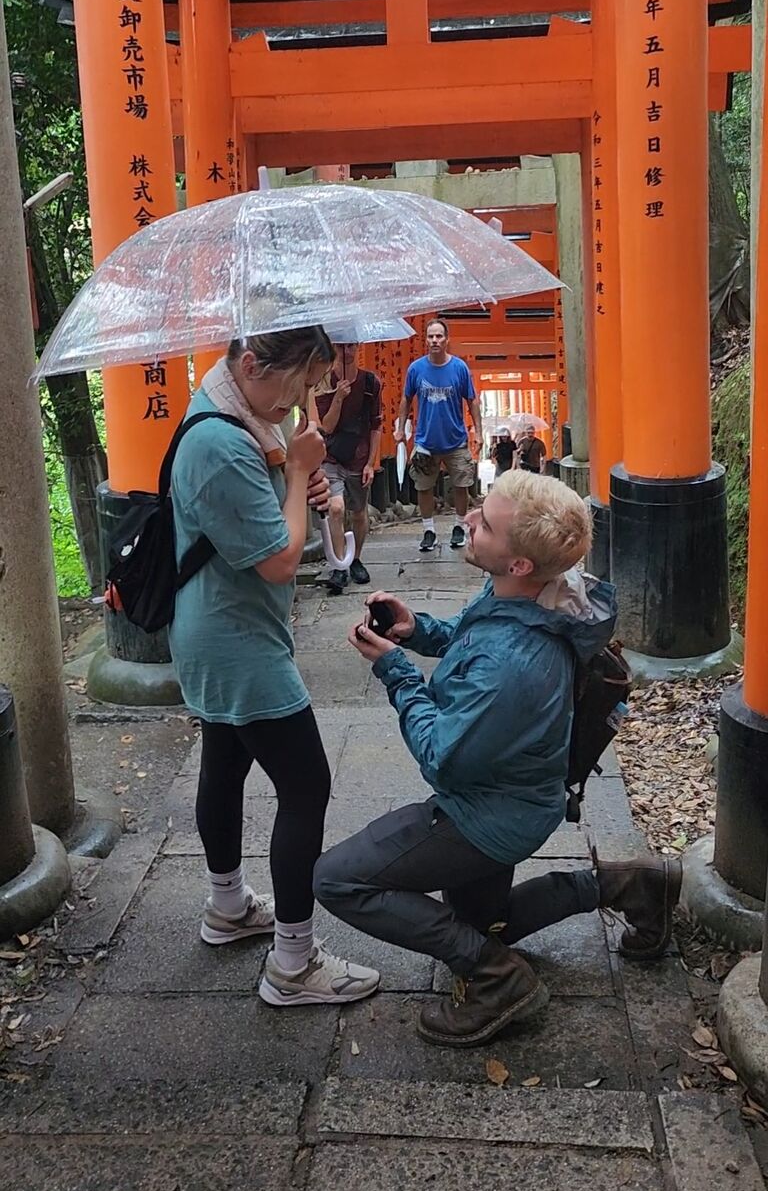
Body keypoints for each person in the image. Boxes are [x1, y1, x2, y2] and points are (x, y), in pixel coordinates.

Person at [314, 470, 682, 1047]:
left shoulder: (512, 668)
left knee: (337, 880)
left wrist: (395, 671)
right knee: (481, 924)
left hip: (484, 815)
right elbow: (471, 629)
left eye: (484, 523)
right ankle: (632, 886)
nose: (468, 520)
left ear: (519, 565)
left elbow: (441, 758)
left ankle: (496, 980)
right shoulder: (533, 594)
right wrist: (418, 631)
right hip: (520, 795)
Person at [169, 328, 379, 1007]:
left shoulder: (236, 414)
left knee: (225, 763)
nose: (298, 402)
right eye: (294, 386)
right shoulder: (220, 442)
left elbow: (269, 519)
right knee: (307, 783)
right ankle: (293, 962)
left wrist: (295, 473)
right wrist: (293, 473)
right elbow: (280, 559)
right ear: (252, 363)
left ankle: (226, 905)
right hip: (238, 644)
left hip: (222, 627)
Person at [396, 319, 482, 553]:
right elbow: (405, 399)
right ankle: (428, 531)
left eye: (439, 336)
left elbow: (472, 400)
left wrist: (479, 432)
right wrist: (400, 429)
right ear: (426, 340)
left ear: (447, 340)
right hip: (425, 440)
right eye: (430, 336)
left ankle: (458, 527)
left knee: (461, 484)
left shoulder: (459, 368)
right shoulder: (416, 369)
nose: (434, 340)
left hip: (455, 439)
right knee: (423, 487)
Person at [314, 343, 383, 595]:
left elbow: (376, 425)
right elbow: (327, 427)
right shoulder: (323, 383)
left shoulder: (370, 383)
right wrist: (338, 398)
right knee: (335, 508)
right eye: (341, 346)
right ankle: (339, 564)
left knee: (358, 513)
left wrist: (371, 463)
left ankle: (355, 558)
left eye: (351, 345)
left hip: (359, 456)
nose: (347, 351)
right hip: (331, 456)